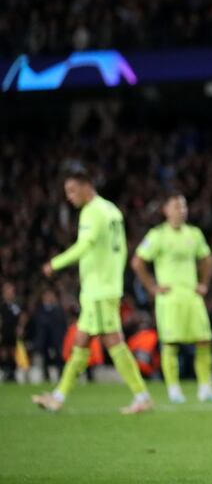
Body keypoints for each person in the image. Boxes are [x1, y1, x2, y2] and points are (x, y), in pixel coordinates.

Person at [33, 168, 152, 414]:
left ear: (87, 186)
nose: (69, 196)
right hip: (104, 286)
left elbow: (84, 246)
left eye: (72, 190)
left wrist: (54, 264)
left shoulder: (92, 212)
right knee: (81, 341)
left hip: (99, 288)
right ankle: (58, 396)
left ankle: (141, 396)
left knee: (112, 341)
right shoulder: (112, 210)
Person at [131, 193, 212, 404]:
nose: (182, 210)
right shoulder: (157, 235)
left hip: (192, 297)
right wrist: (152, 287)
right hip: (170, 298)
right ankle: (174, 390)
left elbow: (207, 259)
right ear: (166, 210)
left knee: (204, 340)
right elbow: (137, 262)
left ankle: (205, 389)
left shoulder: (194, 233)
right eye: (176, 206)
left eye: (184, 206)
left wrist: (204, 283)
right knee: (171, 344)